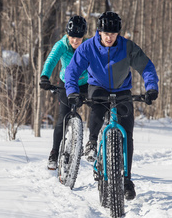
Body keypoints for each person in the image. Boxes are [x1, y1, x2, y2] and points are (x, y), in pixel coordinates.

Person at [65, 11, 159, 200]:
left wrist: (151, 88)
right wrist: (72, 92)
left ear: (118, 33)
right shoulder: (87, 48)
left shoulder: (127, 47)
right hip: (98, 87)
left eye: (113, 34)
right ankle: (92, 142)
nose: (109, 37)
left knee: (127, 132)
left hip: (122, 89)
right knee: (98, 108)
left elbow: (146, 66)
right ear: (99, 32)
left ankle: (126, 180)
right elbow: (72, 71)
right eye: (105, 33)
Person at [39, 15, 88, 170]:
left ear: (83, 37)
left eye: (79, 38)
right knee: (63, 117)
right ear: (68, 35)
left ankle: (94, 144)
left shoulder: (88, 45)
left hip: (85, 84)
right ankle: (54, 152)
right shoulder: (61, 45)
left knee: (99, 107)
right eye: (72, 37)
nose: (75, 41)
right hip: (66, 84)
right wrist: (45, 76)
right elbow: (51, 60)